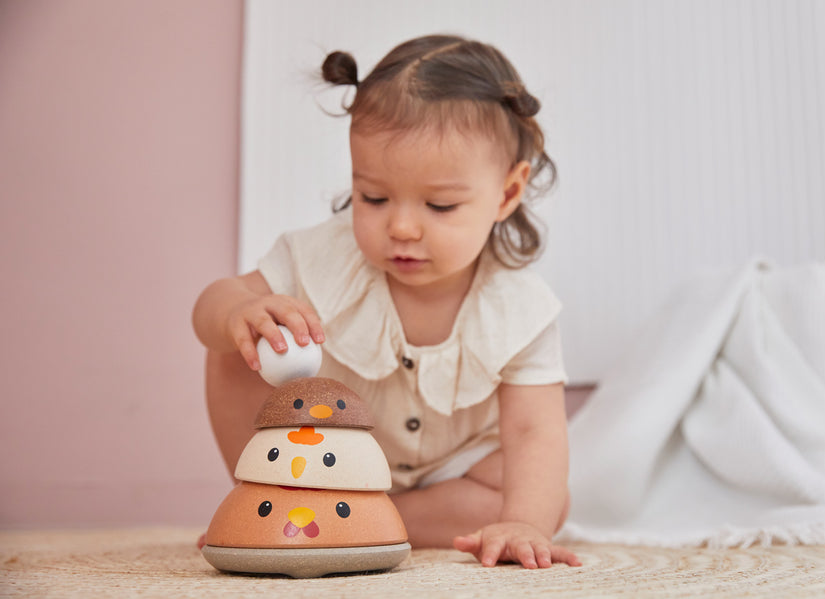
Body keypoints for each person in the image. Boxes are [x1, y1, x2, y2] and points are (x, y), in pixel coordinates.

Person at [193, 34, 580, 570]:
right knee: (234, 346)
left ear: (507, 194)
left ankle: (366, 518)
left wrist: (524, 523)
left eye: (440, 206)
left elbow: (534, 431)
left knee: (542, 498)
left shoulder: (520, 309)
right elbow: (214, 303)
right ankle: (269, 499)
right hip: (319, 453)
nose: (400, 227)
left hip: (452, 474)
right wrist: (236, 313)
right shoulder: (321, 259)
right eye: (372, 197)